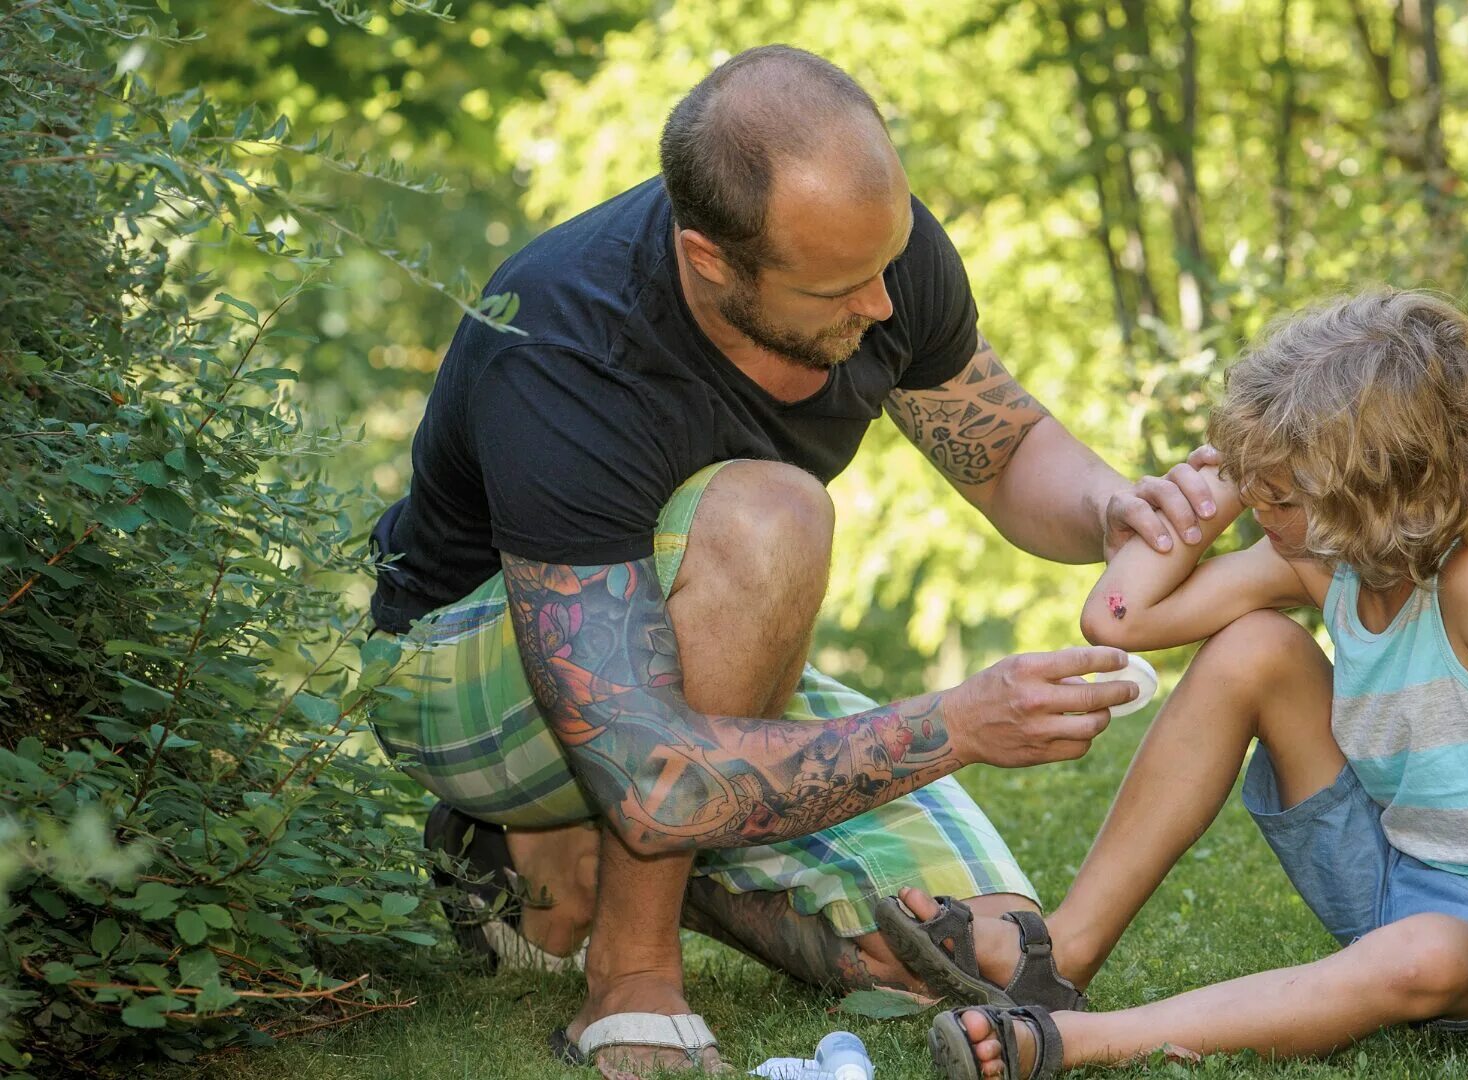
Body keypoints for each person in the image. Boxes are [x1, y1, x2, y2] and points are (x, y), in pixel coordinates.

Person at [362, 46, 1218, 1076]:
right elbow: (650, 775)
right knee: (772, 515)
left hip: (681, 670)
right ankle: (630, 975)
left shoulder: (875, 252)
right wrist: (960, 723)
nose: (882, 306)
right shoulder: (567, 339)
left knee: (987, 952)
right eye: (842, 287)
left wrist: (1111, 505)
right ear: (711, 259)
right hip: (478, 675)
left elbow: (1001, 452)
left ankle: (553, 868)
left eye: (886, 263)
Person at [878, 290, 1468, 1077]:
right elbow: (1119, 619)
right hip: (1390, 871)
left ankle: (1074, 1041)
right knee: (1253, 648)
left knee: (1424, 956)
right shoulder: (1320, 557)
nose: (1256, 513)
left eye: (1274, 495)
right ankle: (1057, 955)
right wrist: (1195, 517)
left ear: (1375, 493)